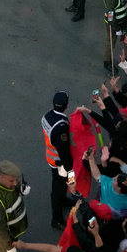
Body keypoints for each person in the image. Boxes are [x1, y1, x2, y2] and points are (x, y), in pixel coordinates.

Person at [42, 91, 74, 230]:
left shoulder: (48, 116)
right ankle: (57, 219)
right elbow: (64, 152)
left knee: (60, 185)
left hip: (51, 158)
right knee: (58, 187)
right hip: (59, 163)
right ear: (66, 105)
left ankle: (62, 199)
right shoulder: (61, 127)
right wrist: (70, 169)